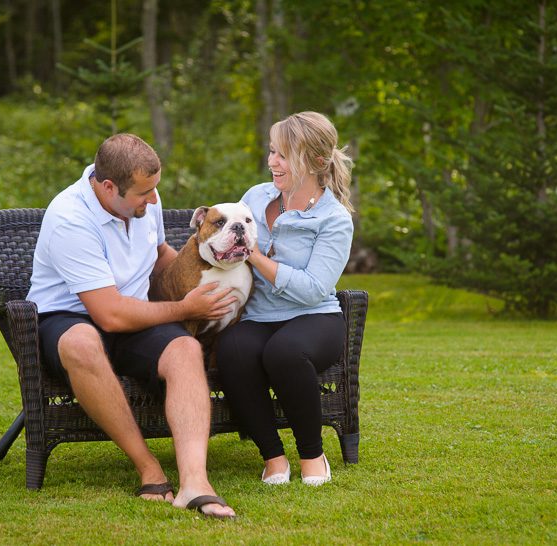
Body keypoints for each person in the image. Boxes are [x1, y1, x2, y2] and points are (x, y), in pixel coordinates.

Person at [26, 134, 236, 518]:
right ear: (108, 187)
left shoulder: (142, 201)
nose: (154, 200)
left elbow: (160, 257)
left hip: (134, 314)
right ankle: (148, 467)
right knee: (83, 343)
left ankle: (195, 482)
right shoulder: (70, 219)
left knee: (185, 349)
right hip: (71, 317)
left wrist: (203, 278)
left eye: (155, 189)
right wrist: (184, 307)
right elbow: (109, 315)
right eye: (144, 193)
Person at [216, 111, 354, 486]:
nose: (271, 162)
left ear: (316, 162)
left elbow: (313, 288)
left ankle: (312, 454)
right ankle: (273, 457)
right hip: (260, 315)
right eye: (271, 151)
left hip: (315, 317)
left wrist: (256, 256)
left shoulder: (334, 219)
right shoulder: (255, 197)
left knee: (285, 352)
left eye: (282, 155)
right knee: (234, 349)